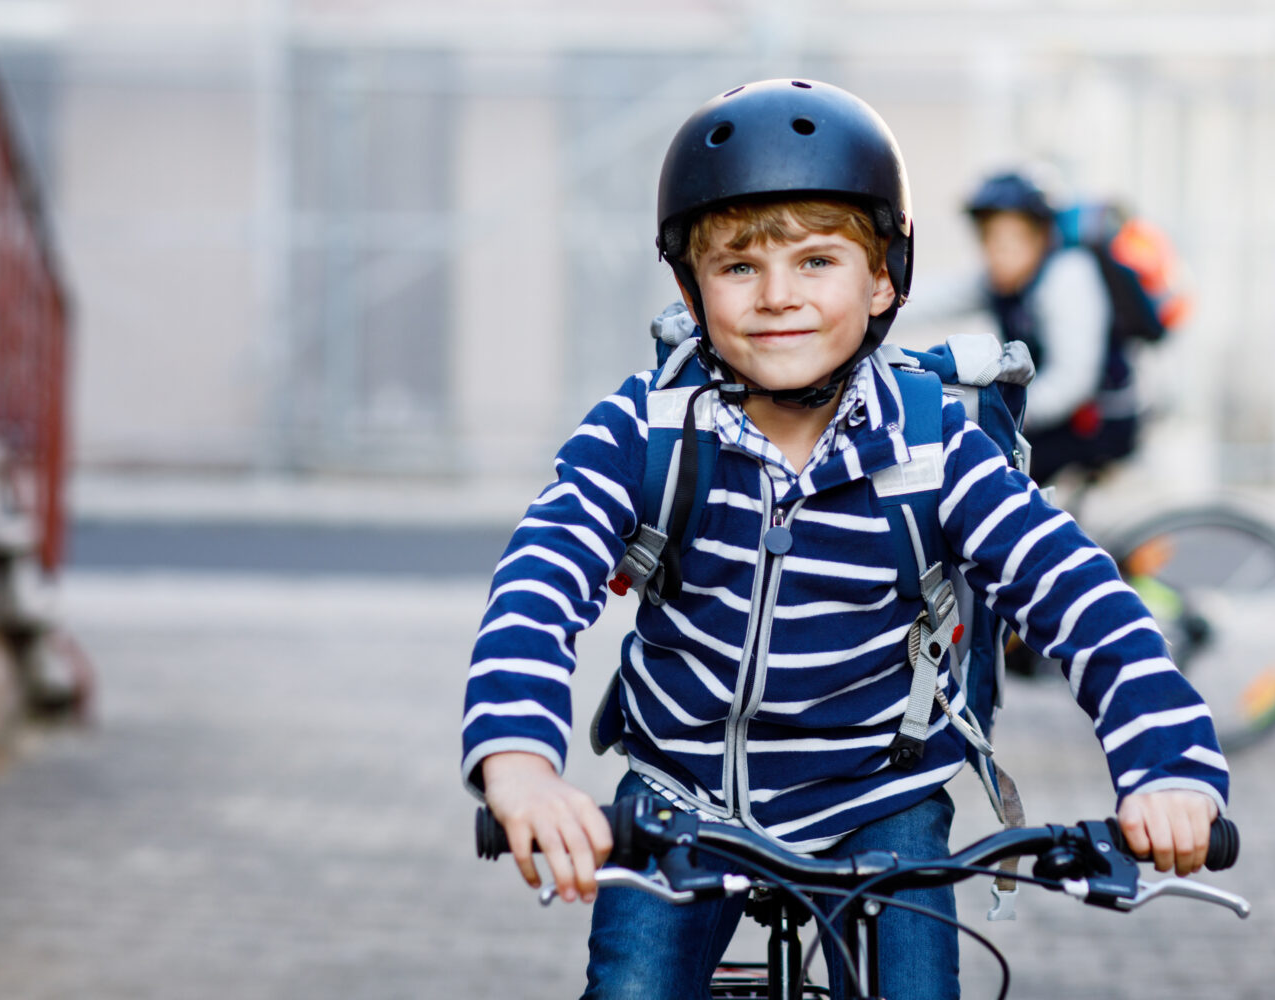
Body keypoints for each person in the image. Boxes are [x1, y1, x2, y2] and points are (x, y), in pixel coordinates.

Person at [462, 80, 1228, 1000]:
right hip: (683, 796)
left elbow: (1082, 600)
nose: (778, 297)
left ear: (883, 279)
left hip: (880, 796)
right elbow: (539, 583)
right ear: (689, 285)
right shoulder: (649, 431)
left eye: (818, 261)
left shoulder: (936, 445)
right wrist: (519, 769)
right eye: (739, 267)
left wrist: (1168, 770)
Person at [902, 170, 1139, 486]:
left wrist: (999, 411)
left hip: (1099, 422)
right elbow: (937, 297)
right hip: (1061, 415)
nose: (998, 253)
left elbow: (1072, 381)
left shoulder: (1068, 277)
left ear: (1040, 238)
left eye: (1012, 240)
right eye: (989, 239)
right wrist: (876, 300)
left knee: (989, 477)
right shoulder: (1006, 279)